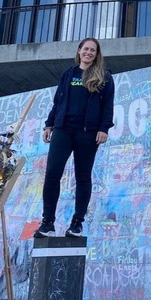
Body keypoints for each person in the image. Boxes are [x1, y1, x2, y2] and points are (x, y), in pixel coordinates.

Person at [34, 37, 115, 238]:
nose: (88, 53)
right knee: (52, 174)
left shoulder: (104, 76)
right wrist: (49, 124)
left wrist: (104, 128)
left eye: (93, 50)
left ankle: (77, 224)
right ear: (79, 51)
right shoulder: (68, 74)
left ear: (97, 54)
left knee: (82, 177)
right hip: (63, 130)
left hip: (87, 133)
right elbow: (57, 101)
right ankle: (47, 224)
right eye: (85, 49)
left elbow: (108, 105)